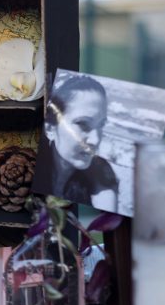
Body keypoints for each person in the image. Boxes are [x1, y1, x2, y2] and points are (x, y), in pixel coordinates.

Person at [37, 74, 118, 211]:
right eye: (82, 124)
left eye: (101, 125)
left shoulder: (101, 173)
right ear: (50, 128)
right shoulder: (33, 165)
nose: (96, 140)